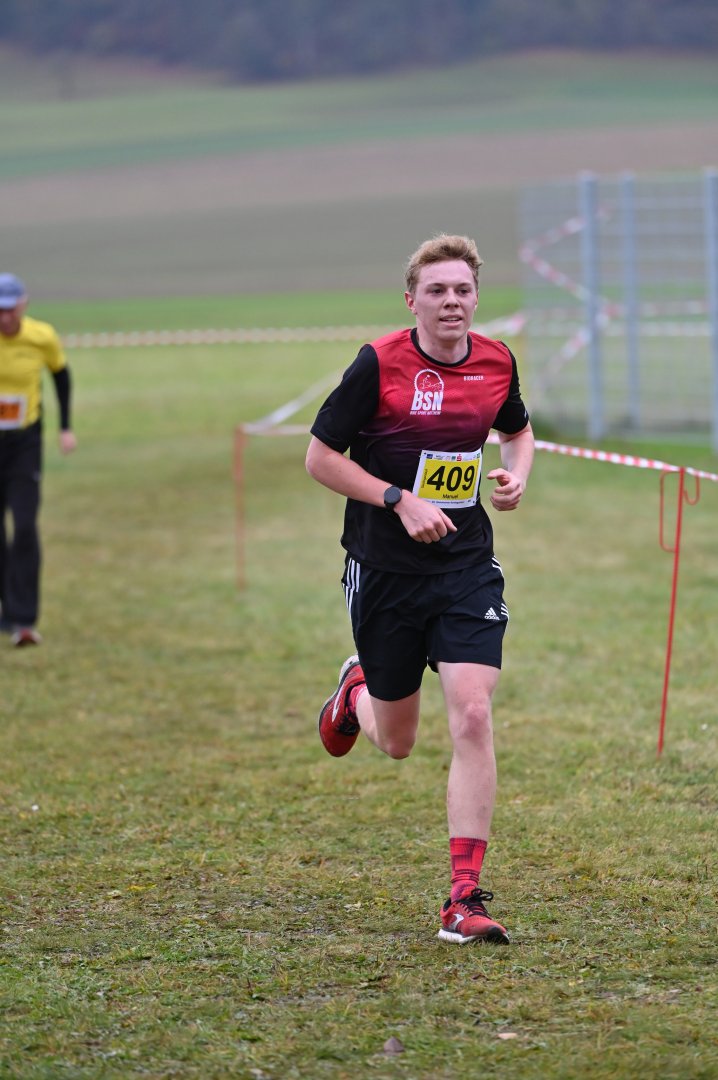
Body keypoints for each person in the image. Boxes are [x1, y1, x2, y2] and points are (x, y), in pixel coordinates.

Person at [305, 235, 534, 944]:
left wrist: (516, 474)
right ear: (412, 300)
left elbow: (518, 431)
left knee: (473, 714)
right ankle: (356, 692)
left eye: (462, 289)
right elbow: (319, 459)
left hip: (465, 567)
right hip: (384, 571)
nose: (451, 302)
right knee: (399, 742)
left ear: (476, 297)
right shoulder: (379, 365)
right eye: (437, 290)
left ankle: (463, 898)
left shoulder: (496, 361)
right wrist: (398, 499)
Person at [0, 273, 77, 647]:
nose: (4, 318)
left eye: (10, 310)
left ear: (23, 305)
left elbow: (61, 376)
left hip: (24, 441)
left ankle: (24, 619)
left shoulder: (41, 336)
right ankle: (5, 610)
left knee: (25, 525)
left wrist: (66, 427)